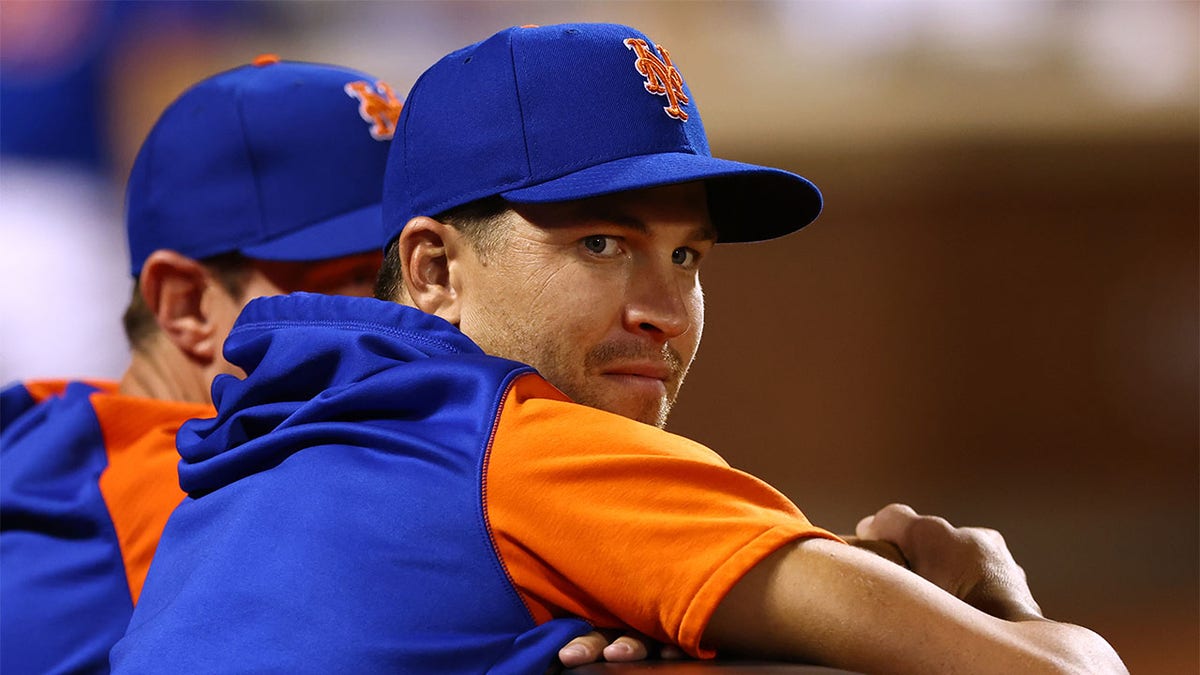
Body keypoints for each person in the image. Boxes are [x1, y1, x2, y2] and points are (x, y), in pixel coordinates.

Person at [111, 24, 1127, 674]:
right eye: (601, 243)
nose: (664, 309)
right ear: (431, 272)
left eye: (686, 255)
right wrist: (1007, 603)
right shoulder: (529, 449)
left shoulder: (249, 461)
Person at [0, 56, 398, 674]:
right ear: (185, 306)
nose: (421, 314)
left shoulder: (66, 434)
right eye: (354, 279)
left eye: (425, 269)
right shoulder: (180, 504)